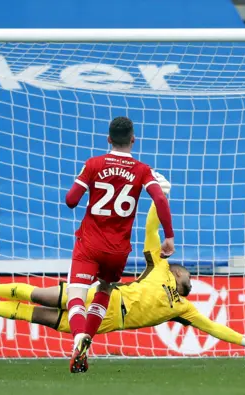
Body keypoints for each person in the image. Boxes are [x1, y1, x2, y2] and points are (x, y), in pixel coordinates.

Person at [0, 201, 245, 357]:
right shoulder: (160, 267)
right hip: (99, 298)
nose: (192, 273)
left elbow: (213, 327)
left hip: (100, 325)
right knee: (42, 297)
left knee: (41, 317)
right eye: (187, 269)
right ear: (176, 271)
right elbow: (150, 229)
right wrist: (160, 197)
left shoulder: (184, 308)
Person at [64, 116, 175, 372]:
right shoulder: (142, 170)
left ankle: (79, 338)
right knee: (104, 289)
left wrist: (87, 182)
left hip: (89, 244)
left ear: (108, 139)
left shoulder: (93, 164)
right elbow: (159, 197)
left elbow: (71, 200)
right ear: (133, 140)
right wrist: (169, 236)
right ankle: (85, 347)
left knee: (77, 295)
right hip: (117, 250)